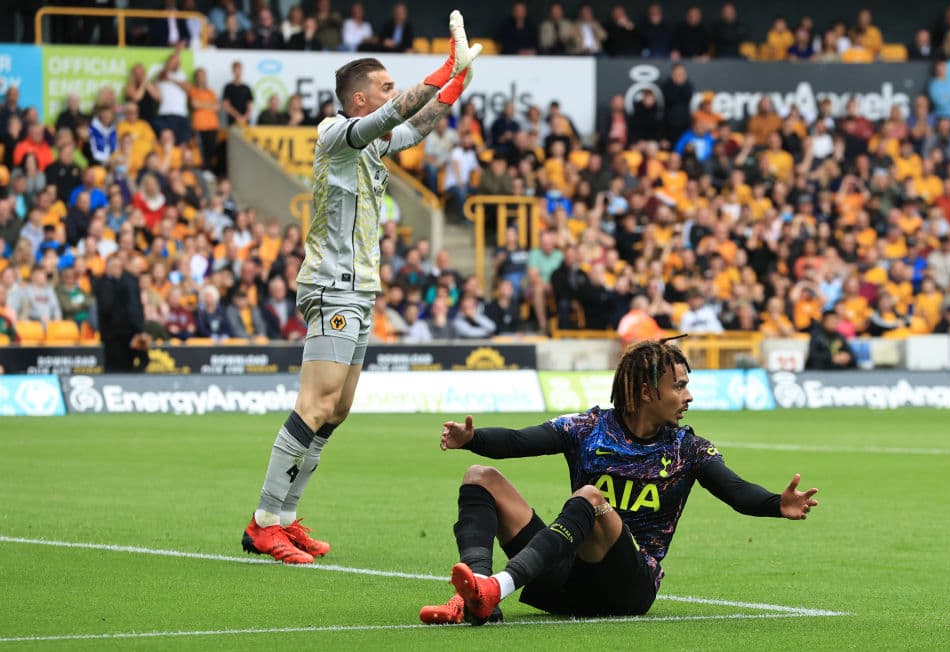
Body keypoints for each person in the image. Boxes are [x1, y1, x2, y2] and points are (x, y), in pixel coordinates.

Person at [240, 14, 482, 564]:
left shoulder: (370, 146)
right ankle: (263, 523)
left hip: (359, 291)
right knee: (316, 402)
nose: (394, 93)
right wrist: (445, 64)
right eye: (384, 86)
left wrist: (458, 84)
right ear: (357, 100)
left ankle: (285, 516)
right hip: (332, 288)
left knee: (339, 408)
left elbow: (417, 126)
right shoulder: (335, 133)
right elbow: (400, 112)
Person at [419, 338, 819, 625]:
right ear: (647, 391)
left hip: (628, 588)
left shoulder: (688, 448)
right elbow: (523, 440)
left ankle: (496, 587)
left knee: (590, 499)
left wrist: (775, 504)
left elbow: (736, 491)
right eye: (678, 386)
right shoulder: (589, 427)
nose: (689, 396)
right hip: (568, 579)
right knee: (480, 477)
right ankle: (474, 598)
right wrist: (474, 439)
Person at [94, 256, 148, 372]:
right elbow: (132, 308)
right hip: (119, 335)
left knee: (119, 367)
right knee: (120, 368)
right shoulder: (122, 282)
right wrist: (139, 329)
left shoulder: (103, 282)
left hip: (119, 334)